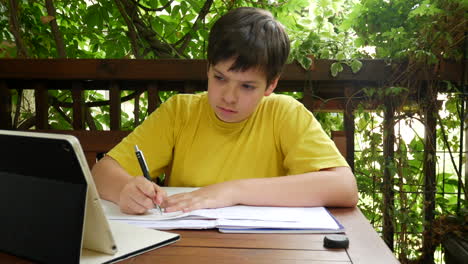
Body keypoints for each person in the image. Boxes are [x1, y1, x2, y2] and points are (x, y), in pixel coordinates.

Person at [91, 7, 358, 215]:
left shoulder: (284, 113)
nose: (229, 97)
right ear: (208, 69)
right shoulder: (180, 111)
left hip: (267, 249)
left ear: (271, 84)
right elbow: (102, 172)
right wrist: (126, 190)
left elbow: (344, 187)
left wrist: (233, 191)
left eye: (247, 86)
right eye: (220, 78)